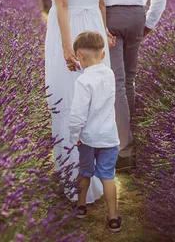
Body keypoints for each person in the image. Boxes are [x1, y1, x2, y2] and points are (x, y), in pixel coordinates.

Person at [90, 0, 168, 168]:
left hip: (109, 15)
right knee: (129, 81)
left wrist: (96, 24)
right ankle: (127, 141)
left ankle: (124, 150)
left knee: (117, 83)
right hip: (137, 15)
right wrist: (150, 22)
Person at [44, 0, 115, 204]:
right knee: (95, 99)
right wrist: (105, 32)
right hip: (94, 28)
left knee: (66, 96)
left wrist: (65, 47)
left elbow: (62, 6)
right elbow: (100, 3)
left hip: (70, 28)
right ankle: (94, 173)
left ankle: (72, 174)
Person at [69, 31, 122, 233]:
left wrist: (75, 136)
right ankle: (113, 218)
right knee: (108, 176)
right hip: (109, 137)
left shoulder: (82, 82)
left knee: (84, 172)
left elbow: (77, 115)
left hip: (88, 139)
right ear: (103, 54)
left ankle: (81, 208)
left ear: (79, 56)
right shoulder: (109, 74)